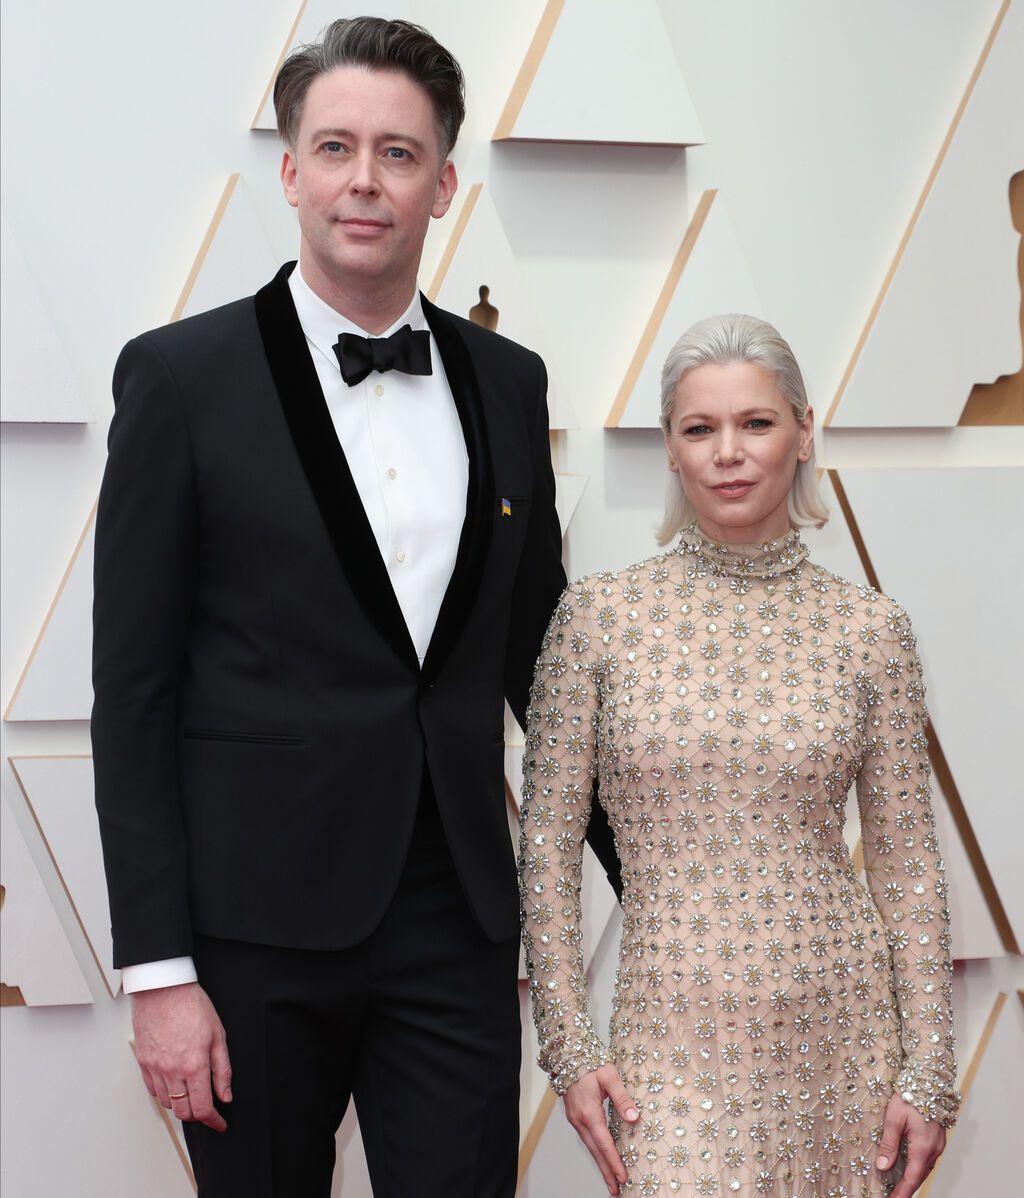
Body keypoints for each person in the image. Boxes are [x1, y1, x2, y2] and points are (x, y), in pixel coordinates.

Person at [91, 17, 619, 1197]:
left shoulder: (508, 380)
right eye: (335, 148)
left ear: (444, 185)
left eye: (398, 152)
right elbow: (132, 696)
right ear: (291, 173)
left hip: (456, 917)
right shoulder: (179, 378)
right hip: (249, 934)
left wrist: (659, 875)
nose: (364, 180)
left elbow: (545, 665)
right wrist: (159, 972)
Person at [519, 313, 959, 1197]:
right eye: (700, 428)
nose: (729, 452)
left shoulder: (870, 630)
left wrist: (928, 1070)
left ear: (803, 432)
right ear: (670, 449)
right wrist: (569, 1045)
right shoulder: (598, 619)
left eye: (756, 423)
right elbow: (546, 848)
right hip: (670, 1042)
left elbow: (908, 865)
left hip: (844, 1039)